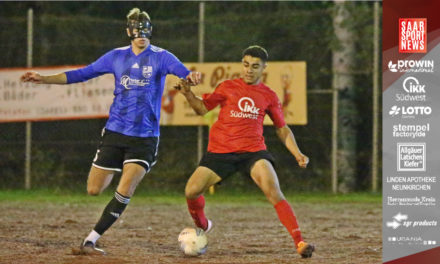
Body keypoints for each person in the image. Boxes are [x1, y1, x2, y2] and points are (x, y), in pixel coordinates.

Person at [20, 7, 201, 255]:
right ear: (128, 32)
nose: (141, 34)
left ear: (151, 32)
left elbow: (184, 72)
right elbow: (81, 74)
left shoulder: (161, 56)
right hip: (115, 133)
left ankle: (91, 240)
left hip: (145, 138)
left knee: (124, 189)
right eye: (136, 30)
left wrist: (192, 77)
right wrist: (43, 78)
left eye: (146, 29)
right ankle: (121, 174)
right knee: (94, 189)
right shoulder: (116, 57)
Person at [175, 45, 314, 258]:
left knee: (273, 189)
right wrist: (188, 94)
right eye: (246, 65)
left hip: (253, 152)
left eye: (255, 66)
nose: (249, 70)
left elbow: (282, 128)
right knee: (191, 191)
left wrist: (297, 153)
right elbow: (202, 108)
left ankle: (300, 242)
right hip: (221, 152)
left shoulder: (268, 95)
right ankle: (203, 225)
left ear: (264, 68)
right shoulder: (227, 87)